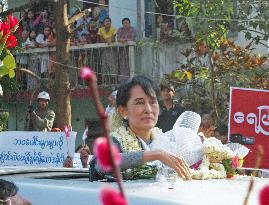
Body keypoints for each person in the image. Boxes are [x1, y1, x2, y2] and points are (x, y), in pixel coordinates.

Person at [89, 76, 191, 181]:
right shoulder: (115, 140)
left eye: (152, 102)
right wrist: (156, 154)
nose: (148, 109)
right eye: (139, 102)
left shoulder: (163, 138)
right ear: (123, 111)